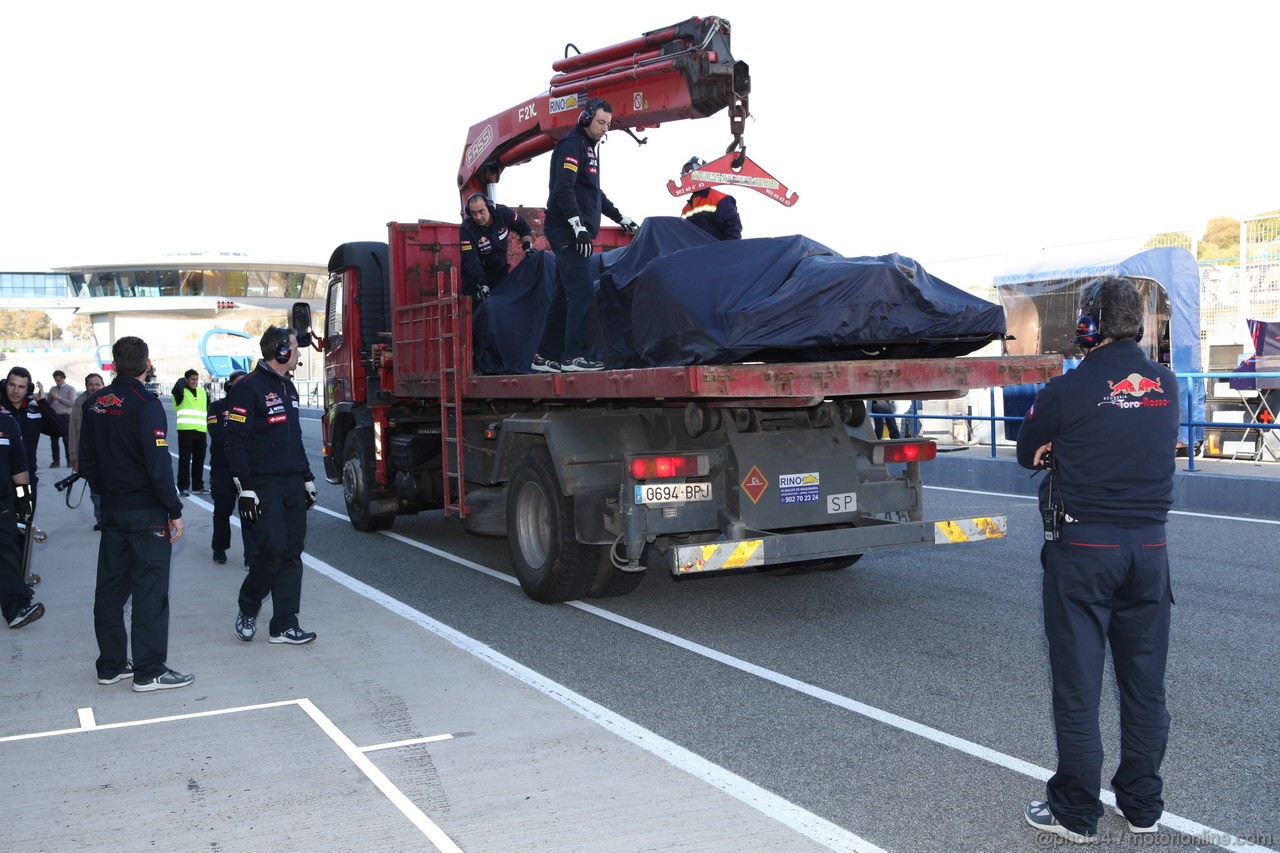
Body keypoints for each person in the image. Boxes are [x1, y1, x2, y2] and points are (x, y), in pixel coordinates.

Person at [1016, 277, 1178, 844]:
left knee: (1079, 688)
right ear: (1138, 324)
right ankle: (1142, 806)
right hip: (1151, 551)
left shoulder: (1069, 389)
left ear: (1089, 324)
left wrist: (1061, 446)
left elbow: (1025, 450)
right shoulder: (1169, 384)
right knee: (1144, 687)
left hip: (1084, 549)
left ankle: (1075, 813)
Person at [80, 336, 193, 691]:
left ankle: (111, 666)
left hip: (112, 509)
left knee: (111, 590)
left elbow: (87, 463)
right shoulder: (147, 403)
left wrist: (108, 493)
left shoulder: (95, 402)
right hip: (145, 512)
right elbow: (159, 465)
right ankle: (149, 671)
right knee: (150, 590)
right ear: (147, 364)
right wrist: (173, 509)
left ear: (113, 365)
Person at [530, 99, 639, 374]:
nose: (604, 129)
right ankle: (573, 357)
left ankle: (544, 357)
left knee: (564, 296)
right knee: (581, 294)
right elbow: (563, 189)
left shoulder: (590, 149)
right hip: (567, 231)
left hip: (574, 230)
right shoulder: (572, 145)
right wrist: (577, 226)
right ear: (586, 117)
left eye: (608, 125)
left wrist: (620, 217)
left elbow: (594, 193)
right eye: (601, 122)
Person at [226, 328, 319, 645]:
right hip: (263, 484)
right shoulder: (248, 388)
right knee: (273, 550)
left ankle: (284, 624)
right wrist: (246, 487)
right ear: (280, 352)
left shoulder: (289, 388)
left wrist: (307, 478)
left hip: (292, 483)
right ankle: (248, 607)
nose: (298, 353)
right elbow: (235, 442)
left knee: (293, 553)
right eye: (294, 348)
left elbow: (294, 440)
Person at [4, 366, 63, 587]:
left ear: (27, 389)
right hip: (2, 482)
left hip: (25, 484)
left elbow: (59, 429)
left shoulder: (34, 410)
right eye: (11, 385)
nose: (15, 391)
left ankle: (20, 576)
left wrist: (42, 403)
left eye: (20, 387)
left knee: (23, 526)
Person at [208, 370, 258, 568]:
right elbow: (218, 436)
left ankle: (251, 556)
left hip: (247, 468)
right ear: (229, 387)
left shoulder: (253, 406)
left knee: (250, 511)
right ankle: (219, 547)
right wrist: (240, 437)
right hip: (223, 468)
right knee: (222, 511)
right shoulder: (217, 407)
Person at [1, 407, 43, 629]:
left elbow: (20, 474)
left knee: (8, 557)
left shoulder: (7, 425)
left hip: (3, 508)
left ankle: (16, 609)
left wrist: (23, 506)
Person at [459, 192, 535, 300]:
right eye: (474, 213)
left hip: (500, 273)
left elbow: (523, 228)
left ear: (489, 207)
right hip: (476, 280)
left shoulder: (504, 213)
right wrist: (482, 283)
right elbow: (470, 260)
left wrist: (527, 247)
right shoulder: (467, 228)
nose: (478, 217)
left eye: (481, 211)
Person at [68, 372, 106, 530]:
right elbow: (72, 433)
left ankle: (113, 518)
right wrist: (74, 457)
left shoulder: (112, 402)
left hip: (110, 455)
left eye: (97, 384)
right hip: (88, 456)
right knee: (95, 490)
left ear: (103, 385)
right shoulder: (79, 404)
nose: (94, 387)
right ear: (86, 386)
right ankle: (101, 519)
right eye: (91, 384)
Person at [678, 156, 742, 240]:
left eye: (693, 172)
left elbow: (733, 231)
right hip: (694, 252)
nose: (689, 176)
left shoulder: (720, 199)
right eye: (686, 172)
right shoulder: (686, 209)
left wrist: (727, 251)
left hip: (716, 251)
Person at [171, 368, 208, 496]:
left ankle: (198, 486)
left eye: (197, 379)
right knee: (185, 460)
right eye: (192, 379)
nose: (195, 382)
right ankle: (183, 487)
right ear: (186, 379)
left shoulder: (202, 392)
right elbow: (177, 389)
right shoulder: (180, 392)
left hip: (201, 430)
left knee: (199, 460)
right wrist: (183, 381)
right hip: (185, 430)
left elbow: (208, 408)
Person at [46, 370, 77, 468]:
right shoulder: (52, 388)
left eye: (59, 380)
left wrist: (58, 398)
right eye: (56, 380)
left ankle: (69, 461)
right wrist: (50, 397)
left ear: (63, 379)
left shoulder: (70, 389)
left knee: (66, 440)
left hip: (65, 416)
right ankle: (56, 461)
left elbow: (72, 403)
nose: (58, 382)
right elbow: (48, 404)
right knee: (54, 441)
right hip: (54, 416)